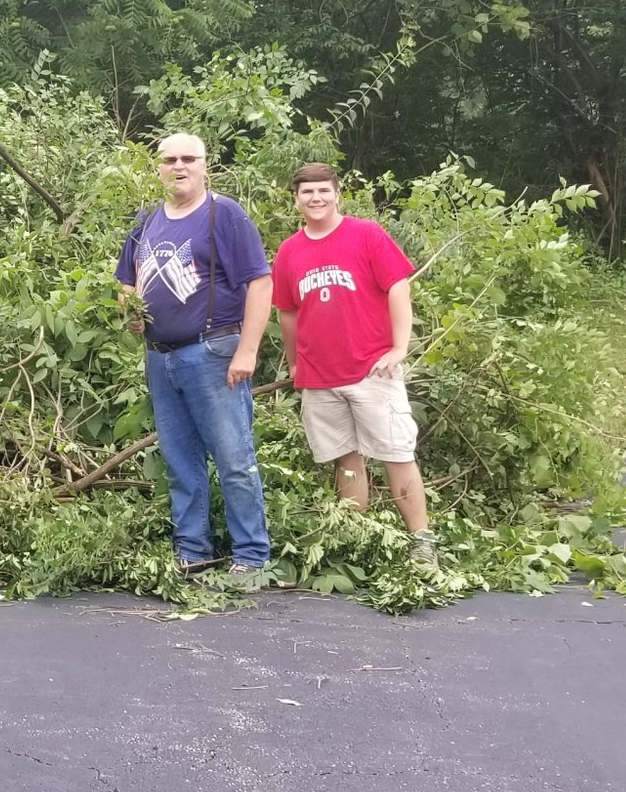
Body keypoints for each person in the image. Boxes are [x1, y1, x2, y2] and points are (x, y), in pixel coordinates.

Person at [116, 133, 274, 579]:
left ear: (206, 165)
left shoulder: (223, 214)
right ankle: (194, 551)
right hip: (160, 356)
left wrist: (247, 350)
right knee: (180, 459)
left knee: (233, 458)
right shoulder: (146, 219)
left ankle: (251, 557)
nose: (179, 166)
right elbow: (125, 280)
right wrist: (129, 310)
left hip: (214, 351)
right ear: (158, 167)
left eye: (189, 158)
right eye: (169, 159)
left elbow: (260, 283)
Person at [272, 162, 435, 564]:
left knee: (396, 454)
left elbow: (397, 286)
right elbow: (287, 314)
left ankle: (422, 542)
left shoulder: (366, 235)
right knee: (346, 461)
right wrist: (294, 363)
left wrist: (399, 348)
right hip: (321, 376)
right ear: (296, 199)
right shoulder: (290, 251)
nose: (316, 198)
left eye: (323, 191)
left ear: (337, 194)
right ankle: (355, 541)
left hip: (371, 370)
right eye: (307, 192)